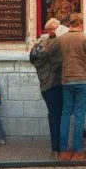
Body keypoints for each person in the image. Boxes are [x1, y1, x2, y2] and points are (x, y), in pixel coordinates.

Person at [55, 12, 86, 161]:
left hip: (66, 79)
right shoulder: (84, 38)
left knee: (66, 114)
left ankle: (64, 151)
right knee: (79, 115)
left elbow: (56, 55)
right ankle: (78, 151)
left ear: (69, 24)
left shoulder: (62, 39)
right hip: (81, 80)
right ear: (80, 23)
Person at [29, 18, 63, 158]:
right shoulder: (54, 43)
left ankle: (55, 147)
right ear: (54, 30)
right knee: (61, 115)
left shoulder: (39, 45)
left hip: (45, 85)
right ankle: (60, 147)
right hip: (56, 83)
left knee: (53, 115)